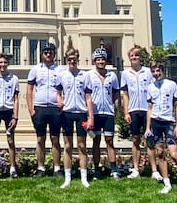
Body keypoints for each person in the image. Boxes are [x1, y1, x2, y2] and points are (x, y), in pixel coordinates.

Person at [145, 60, 177, 198]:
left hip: (168, 122)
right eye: (153, 71)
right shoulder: (150, 87)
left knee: (174, 154)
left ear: (163, 71)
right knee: (160, 153)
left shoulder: (171, 85)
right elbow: (149, 108)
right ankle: (167, 183)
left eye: (158, 71)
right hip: (155, 122)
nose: (156, 74)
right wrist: (147, 127)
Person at [120, 46, 160, 180]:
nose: (134, 58)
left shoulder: (148, 72)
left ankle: (154, 170)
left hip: (147, 110)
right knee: (135, 139)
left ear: (140, 58)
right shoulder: (125, 74)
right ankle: (136, 169)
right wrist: (126, 112)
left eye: (136, 56)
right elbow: (125, 94)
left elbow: (154, 90)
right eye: (131, 56)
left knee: (149, 139)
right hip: (133, 110)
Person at [56, 49, 93, 188]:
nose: (72, 61)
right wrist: (59, 101)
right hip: (67, 113)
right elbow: (58, 93)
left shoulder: (84, 75)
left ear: (77, 59)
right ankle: (67, 178)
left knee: (82, 145)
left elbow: (88, 98)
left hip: (81, 113)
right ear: (66, 60)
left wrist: (90, 118)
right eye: (70, 59)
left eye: (74, 59)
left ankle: (84, 177)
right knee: (67, 146)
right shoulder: (62, 75)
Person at [26, 42, 64, 178]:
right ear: (42, 54)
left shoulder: (60, 70)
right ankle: (41, 168)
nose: (48, 54)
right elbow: (29, 90)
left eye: (51, 52)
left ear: (54, 54)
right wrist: (31, 109)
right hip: (40, 108)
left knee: (55, 138)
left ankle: (57, 168)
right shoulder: (35, 69)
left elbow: (67, 88)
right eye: (45, 52)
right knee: (40, 139)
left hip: (55, 108)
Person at [87, 47, 121, 179]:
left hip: (108, 113)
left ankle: (113, 169)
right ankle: (96, 168)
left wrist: (109, 103)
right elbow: (87, 94)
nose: (100, 62)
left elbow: (116, 92)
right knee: (96, 141)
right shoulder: (89, 75)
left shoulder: (111, 75)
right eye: (98, 59)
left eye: (102, 59)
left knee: (109, 140)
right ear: (94, 61)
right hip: (95, 113)